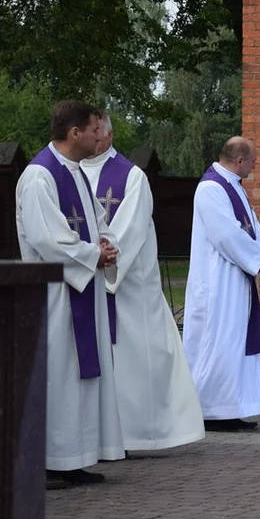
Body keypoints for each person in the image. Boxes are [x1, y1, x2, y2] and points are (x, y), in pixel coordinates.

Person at [16, 100, 124, 486]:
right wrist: (93, 254)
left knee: (78, 374)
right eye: (95, 129)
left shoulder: (75, 173)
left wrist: (105, 245)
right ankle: (48, 461)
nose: (101, 136)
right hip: (54, 295)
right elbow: (48, 239)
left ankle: (73, 458)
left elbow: (94, 221)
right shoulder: (39, 176)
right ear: (74, 133)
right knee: (57, 374)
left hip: (81, 287)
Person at [81, 117, 204, 450]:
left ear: (109, 135)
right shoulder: (72, 172)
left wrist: (103, 260)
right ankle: (102, 434)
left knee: (135, 361)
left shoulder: (130, 176)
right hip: (89, 276)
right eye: (89, 133)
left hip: (126, 284)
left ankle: (142, 434)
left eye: (98, 134)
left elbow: (131, 230)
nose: (93, 141)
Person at [183, 137, 260, 432]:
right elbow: (226, 235)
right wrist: (257, 259)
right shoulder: (211, 188)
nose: (255, 165)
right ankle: (209, 409)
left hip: (236, 278)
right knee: (217, 343)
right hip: (217, 281)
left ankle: (230, 406)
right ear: (240, 160)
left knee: (234, 343)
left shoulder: (233, 186)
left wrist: (259, 252)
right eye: (254, 160)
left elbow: (253, 228)